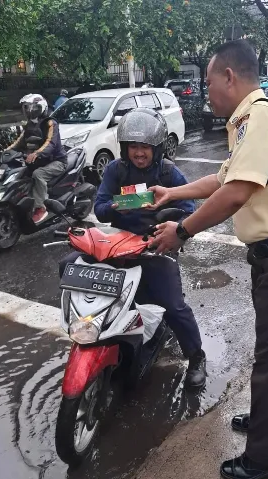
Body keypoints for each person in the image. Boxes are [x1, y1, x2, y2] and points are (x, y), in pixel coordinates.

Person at [150, 40, 268, 479]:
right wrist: (173, 193)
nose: (205, 92)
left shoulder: (259, 115)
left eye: (208, 82)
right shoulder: (249, 121)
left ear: (229, 77)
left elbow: (236, 192)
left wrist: (182, 231)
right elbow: (224, 177)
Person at [59, 108, 207, 389]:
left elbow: (189, 209)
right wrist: (115, 207)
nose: (139, 153)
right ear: (125, 148)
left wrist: (171, 224)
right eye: (133, 147)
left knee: (173, 306)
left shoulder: (168, 172)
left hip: (154, 246)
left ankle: (196, 357)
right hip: (117, 245)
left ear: (157, 148)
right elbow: (100, 208)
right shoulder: (116, 170)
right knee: (68, 265)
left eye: (145, 147)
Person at [6, 94, 67, 224]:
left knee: (38, 174)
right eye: (27, 108)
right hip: (39, 161)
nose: (30, 110)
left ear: (41, 108)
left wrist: (37, 153)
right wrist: (4, 152)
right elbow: (19, 142)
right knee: (19, 174)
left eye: (33, 107)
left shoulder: (50, 123)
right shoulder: (29, 125)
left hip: (56, 161)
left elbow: (51, 143)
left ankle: (40, 207)